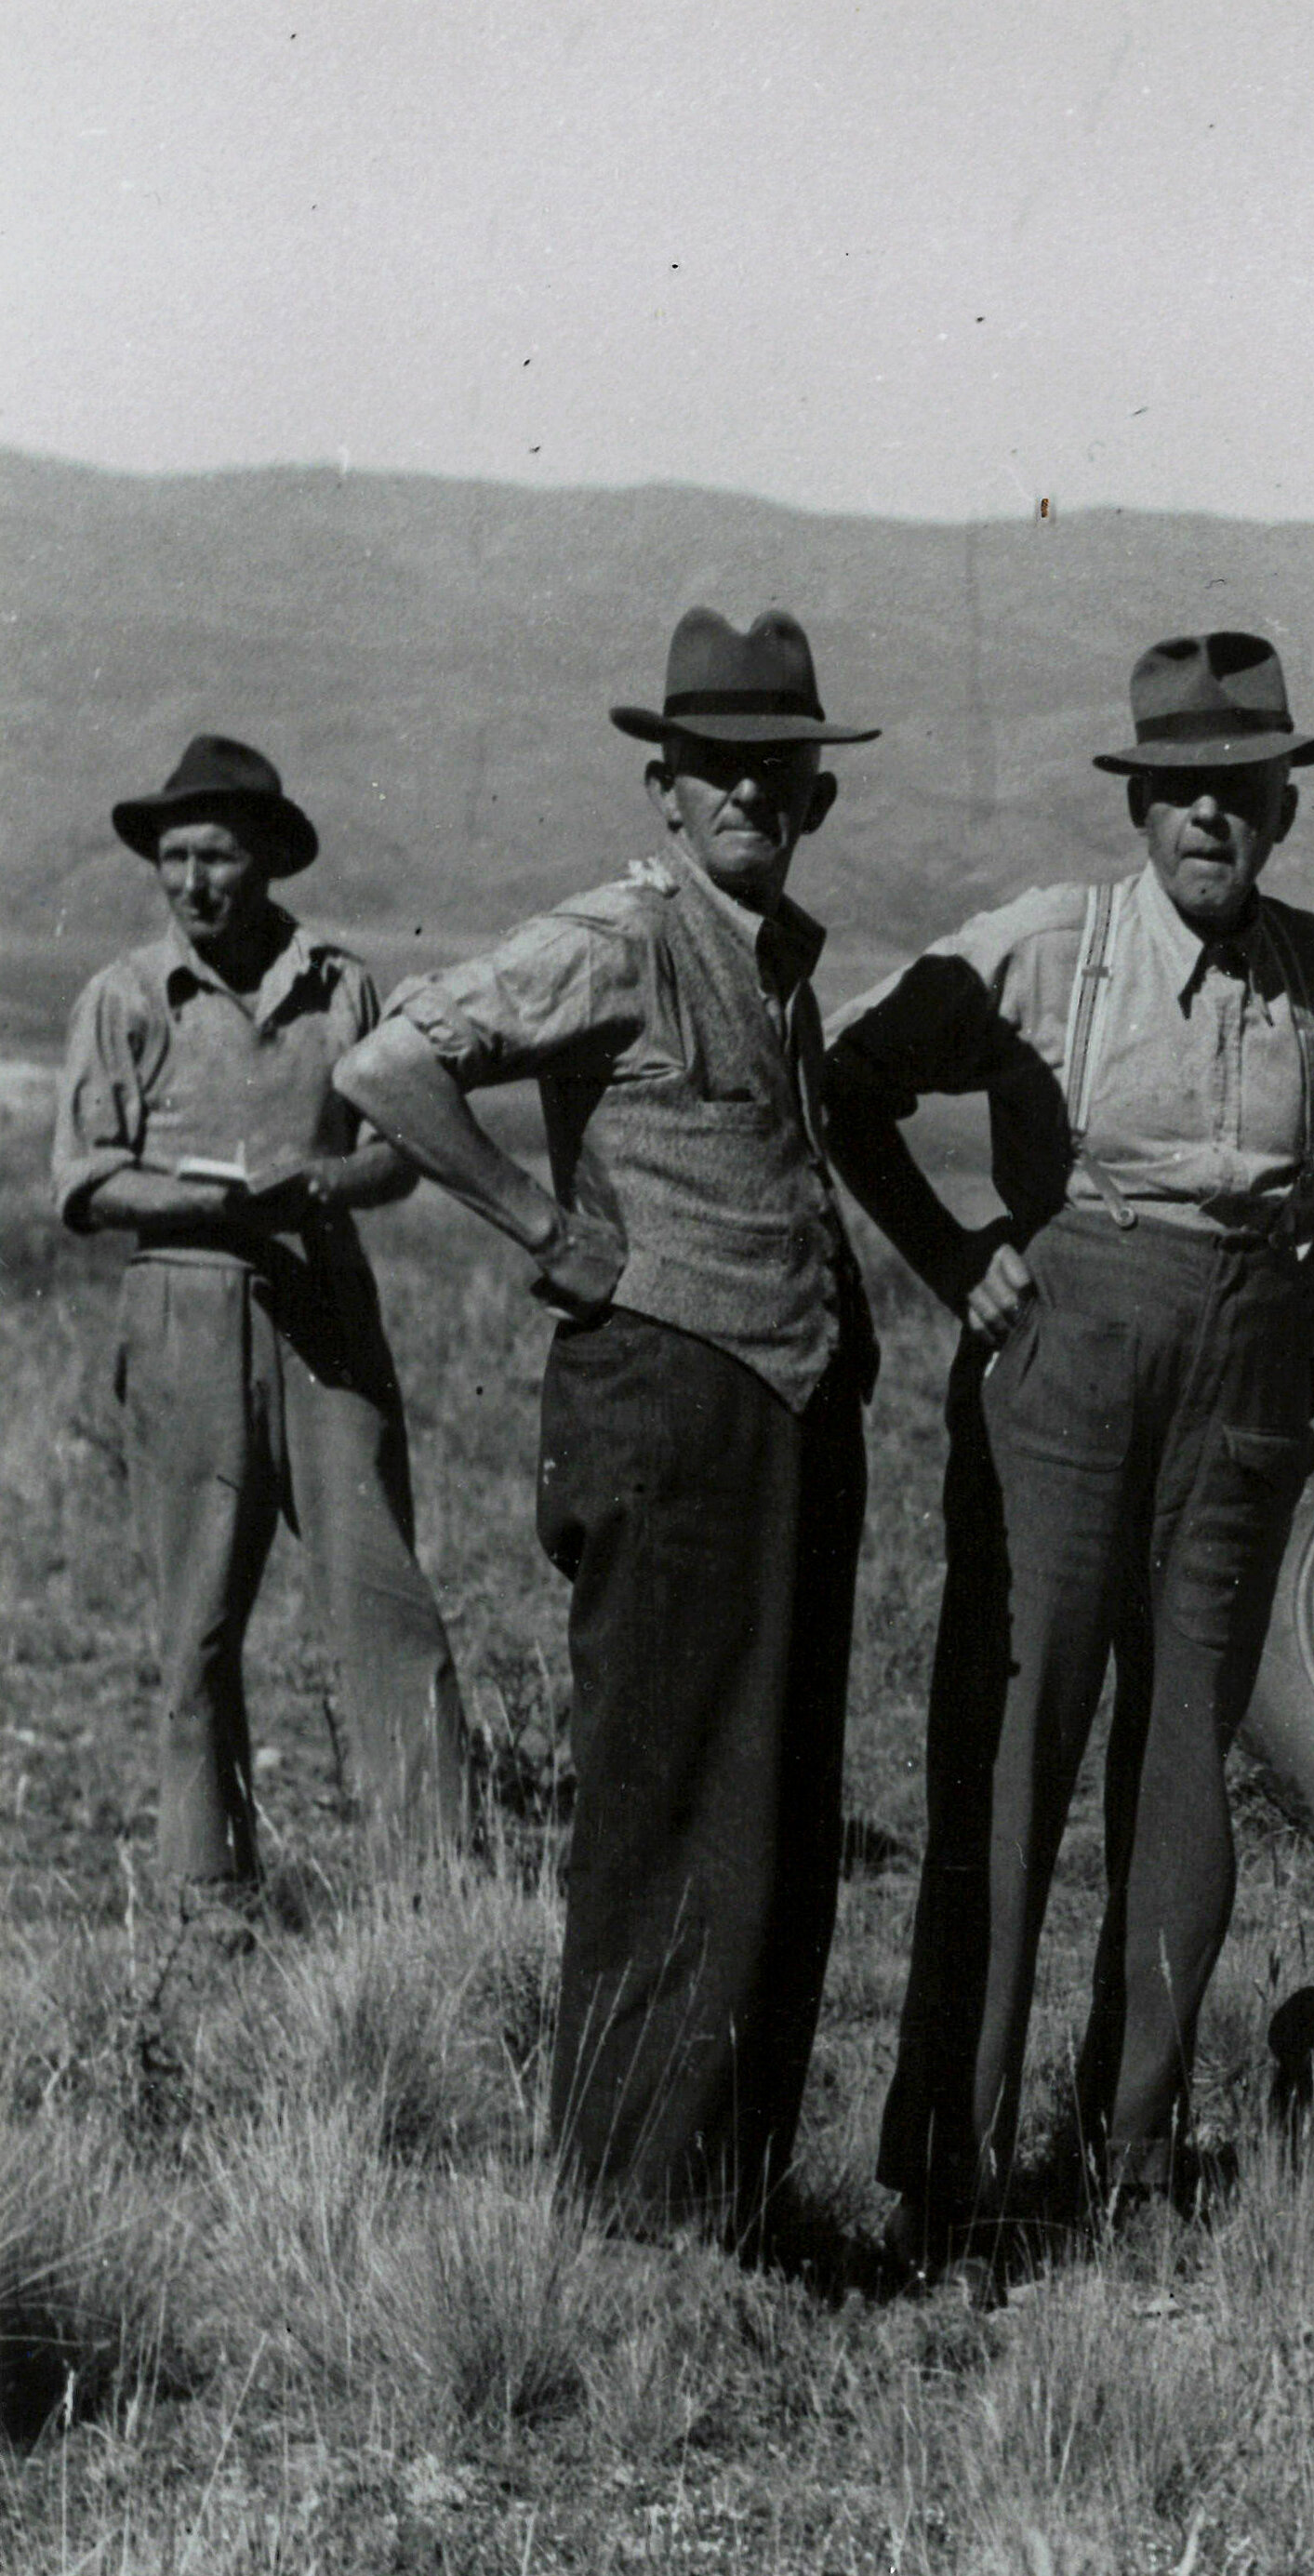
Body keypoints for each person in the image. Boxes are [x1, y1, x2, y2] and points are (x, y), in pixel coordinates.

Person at [816, 632, 1314, 2284]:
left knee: (1183, 1772)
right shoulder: (1047, 951)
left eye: (1245, 790)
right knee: (1013, 1751)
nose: (1212, 819)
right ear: (1141, 804)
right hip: (1067, 1360)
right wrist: (957, 1259)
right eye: (1183, 792)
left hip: (1239, 1376)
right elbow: (848, 1085)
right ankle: (951, 2167)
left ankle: (1133, 2147)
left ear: (1283, 808)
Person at [336, 608, 882, 2250]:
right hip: (661, 1402)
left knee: (771, 1811)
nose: (749, 796)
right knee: (661, 1812)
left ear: (814, 796)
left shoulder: (780, 957)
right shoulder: (625, 937)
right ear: (665, 788)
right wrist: (537, 1224)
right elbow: (389, 1065)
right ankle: (624, 2224)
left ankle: (727, 2201)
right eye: (718, 770)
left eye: (778, 771)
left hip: (777, 1412)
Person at [50, 735, 469, 1901]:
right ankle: (205, 1888)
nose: (194, 882)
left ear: (269, 861)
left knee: (382, 1589)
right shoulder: (126, 997)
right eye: (174, 858)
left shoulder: (342, 985)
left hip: (321, 1298)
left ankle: (428, 1883)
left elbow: (401, 1152)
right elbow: (82, 1180)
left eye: (219, 856)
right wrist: (195, 1199)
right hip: (181, 1304)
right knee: (196, 1618)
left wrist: (323, 1184)